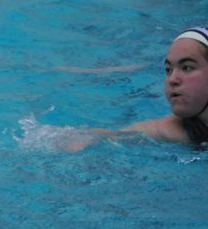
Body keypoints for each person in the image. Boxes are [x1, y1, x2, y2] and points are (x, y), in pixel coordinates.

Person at [65, 27, 208, 150]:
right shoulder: (176, 130)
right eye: (168, 69)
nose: (172, 79)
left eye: (187, 68)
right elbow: (116, 135)